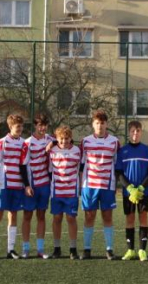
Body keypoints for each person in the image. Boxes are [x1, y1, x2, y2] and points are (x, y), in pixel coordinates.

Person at [80, 109, 121, 260]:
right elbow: (81, 164)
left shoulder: (114, 142)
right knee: (89, 217)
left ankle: (109, 249)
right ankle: (86, 249)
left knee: (107, 217)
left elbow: (117, 165)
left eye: (102, 123)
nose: (100, 126)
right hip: (89, 185)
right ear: (93, 124)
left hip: (107, 186)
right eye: (97, 123)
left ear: (107, 124)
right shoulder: (85, 141)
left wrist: (115, 184)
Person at [115, 120, 148, 261]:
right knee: (129, 218)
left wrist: (142, 187)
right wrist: (130, 188)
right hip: (128, 193)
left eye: (138, 131)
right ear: (129, 133)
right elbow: (119, 172)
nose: (135, 134)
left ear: (141, 132)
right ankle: (130, 250)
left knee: (143, 217)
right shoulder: (123, 151)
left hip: (144, 191)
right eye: (132, 131)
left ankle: (142, 250)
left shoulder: (147, 150)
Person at [21, 113, 55, 258]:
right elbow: (22, 166)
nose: (42, 128)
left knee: (41, 216)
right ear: (35, 126)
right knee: (27, 215)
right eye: (40, 125)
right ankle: (26, 249)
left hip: (45, 184)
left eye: (45, 125)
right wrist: (27, 185)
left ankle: (40, 250)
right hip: (32, 184)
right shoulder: (28, 142)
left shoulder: (50, 139)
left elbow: (68, 140)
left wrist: (52, 143)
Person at [46, 125, 81, 260]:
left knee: (71, 218)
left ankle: (73, 249)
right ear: (57, 139)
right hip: (57, 192)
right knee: (57, 218)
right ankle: (57, 249)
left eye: (66, 139)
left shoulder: (77, 151)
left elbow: (80, 168)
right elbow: (50, 170)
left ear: (70, 139)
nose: (64, 142)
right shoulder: (52, 151)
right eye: (61, 139)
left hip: (71, 191)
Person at [1, 114, 32, 259]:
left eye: (22, 126)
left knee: (13, 215)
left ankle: (10, 250)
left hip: (17, 184)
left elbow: (23, 166)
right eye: (17, 126)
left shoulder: (24, 144)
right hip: (3, 184)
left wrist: (26, 185)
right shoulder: (2, 142)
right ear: (10, 126)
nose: (20, 129)